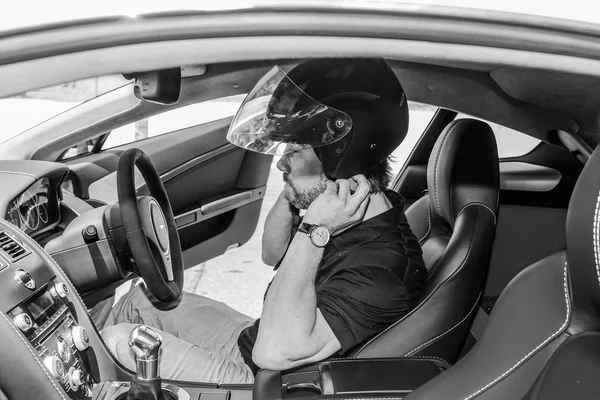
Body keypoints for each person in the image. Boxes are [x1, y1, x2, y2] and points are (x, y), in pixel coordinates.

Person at [92, 58, 427, 384]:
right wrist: (301, 193)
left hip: (265, 383)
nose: (281, 164)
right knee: (138, 301)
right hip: (255, 337)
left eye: (294, 151)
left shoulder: (381, 268)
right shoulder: (352, 209)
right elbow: (272, 252)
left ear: (342, 155)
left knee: (117, 344)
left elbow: (274, 353)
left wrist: (314, 227)